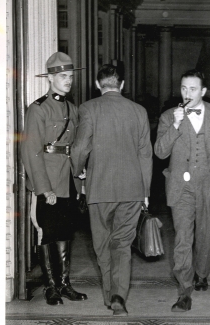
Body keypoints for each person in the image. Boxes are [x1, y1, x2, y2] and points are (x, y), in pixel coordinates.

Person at [70, 64, 153, 316]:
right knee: (122, 245)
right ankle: (118, 295)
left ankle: (110, 294)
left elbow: (79, 149)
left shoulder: (88, 109)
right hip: (131, 190)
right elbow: (145, 154)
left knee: (102, 244)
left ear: (98, 85)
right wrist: (145, 191)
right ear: (122, 85)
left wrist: (79, 172)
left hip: (99, 190)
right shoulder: (139, 111)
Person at [154, 69, 210, 312]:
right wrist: (176, 125)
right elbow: (160, 152)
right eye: (183, 88)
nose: (187, 93)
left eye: (192, 89)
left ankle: (201, 273)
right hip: (181, 187)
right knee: (182, 238)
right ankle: (184, 291)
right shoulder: (169, 116)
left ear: (203, 91)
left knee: (205, 237)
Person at [21, 52, 87, 306]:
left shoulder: (72, 108)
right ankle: (51, 287)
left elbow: (76, 146)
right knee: (49, 234)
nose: (68, 81)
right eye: (63, 76)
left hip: (67, 179)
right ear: (50, 78)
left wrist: (80, 173)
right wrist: (43, 188)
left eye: (70, 76)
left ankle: (64, 284)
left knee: (66, 233)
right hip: (47, 179)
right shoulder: (37, 109)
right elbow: (31, 151)